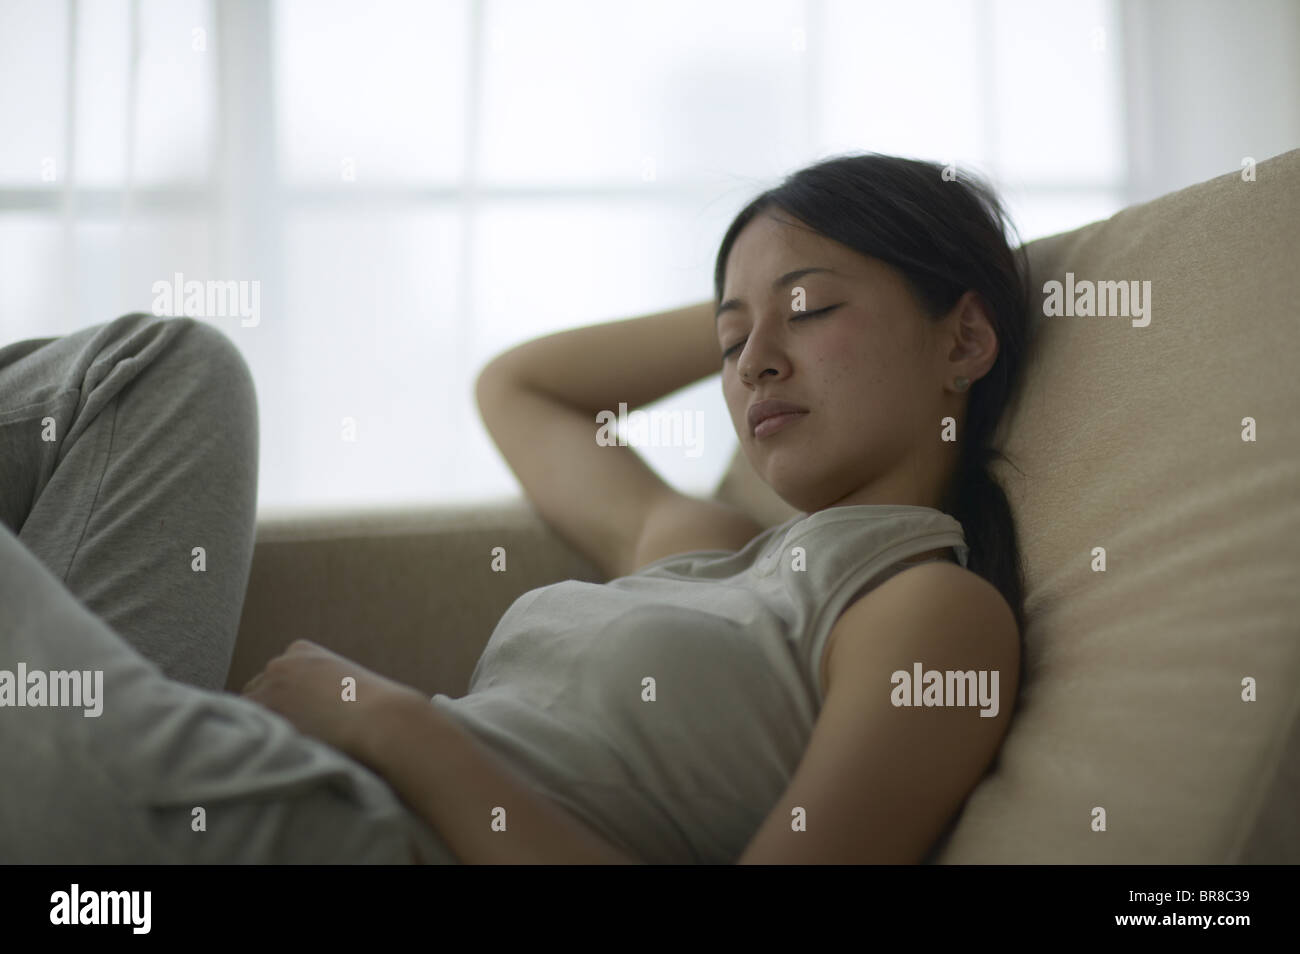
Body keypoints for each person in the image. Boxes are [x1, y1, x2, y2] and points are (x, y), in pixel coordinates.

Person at [0, 153, 1028, 865]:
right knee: (170, 369)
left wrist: (398, 725)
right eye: (728, 345)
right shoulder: (705, 548)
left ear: (963, 341)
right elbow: (519, 387)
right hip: (220, 777)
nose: (753, 362)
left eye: (811, 311)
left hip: (339, 834)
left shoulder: (926, 611)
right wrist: (765, 280)